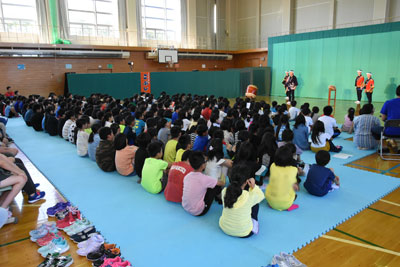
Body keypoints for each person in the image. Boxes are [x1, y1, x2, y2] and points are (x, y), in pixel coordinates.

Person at [219, 164, 264, 238]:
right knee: (256, 203)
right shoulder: (249, 196)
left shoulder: (224, 191)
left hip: (224, 228)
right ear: (246, 181)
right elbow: (261, 196)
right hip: (244, 232)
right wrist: (254, 186)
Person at [182, 151, 225, 216]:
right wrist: (223, 172)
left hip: (185, 206)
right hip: (198, 211)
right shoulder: (205, 178)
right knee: (215, 187)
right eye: (205, 161)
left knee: (207, 185)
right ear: (202, 165)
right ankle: (221, 199)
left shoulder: (187, 176)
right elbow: (222, 183)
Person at [265, 145, 299, 211]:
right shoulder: (293, 169)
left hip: (270, 200)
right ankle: (288, 206)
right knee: (294, 193)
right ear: (290, 159)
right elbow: (294, 185)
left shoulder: (273, 166)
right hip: (285, 203)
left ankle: (273, 204)